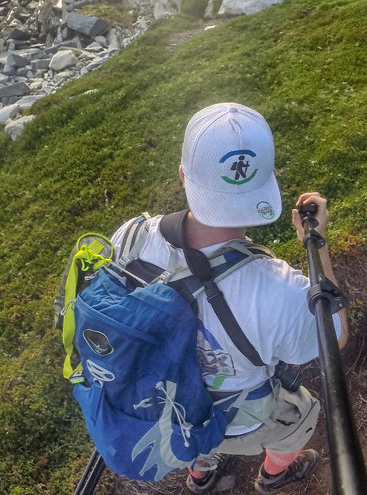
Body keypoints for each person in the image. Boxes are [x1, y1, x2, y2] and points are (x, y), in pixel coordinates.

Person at [111, 102, 348, 494]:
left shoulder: (130, 236)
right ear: (268, 178)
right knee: (300, 415)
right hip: (246, 421)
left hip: (167, 408)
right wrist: (315, 242)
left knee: (195, 434)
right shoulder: (280, 293)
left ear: (183, 173)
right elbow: (335, 336)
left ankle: (201, 474)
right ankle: (274, 475)